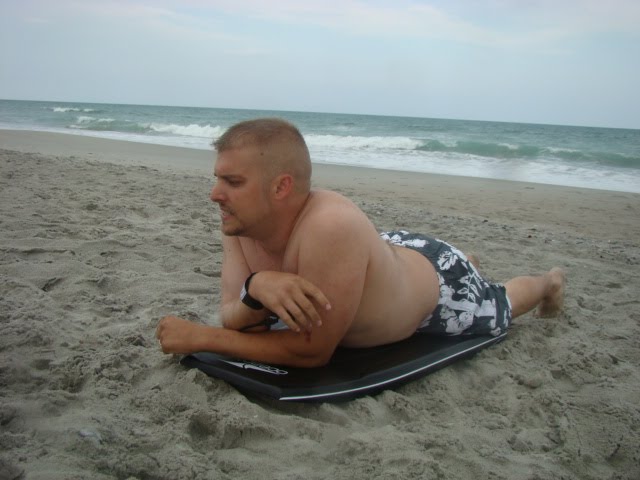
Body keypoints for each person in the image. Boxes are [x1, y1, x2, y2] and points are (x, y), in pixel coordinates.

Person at [156, 118, 565, 368]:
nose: (215, 194)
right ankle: (465, 259)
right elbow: (234, 315)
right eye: (218, 178)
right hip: (386, 253)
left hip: (441, 290)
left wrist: (202, 338)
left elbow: (311, 352)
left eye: (232, 182)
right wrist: (257, 286)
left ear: (281, 187)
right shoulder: (238, 223)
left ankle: (547, 281)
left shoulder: (329, 226)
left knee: (500, 303)